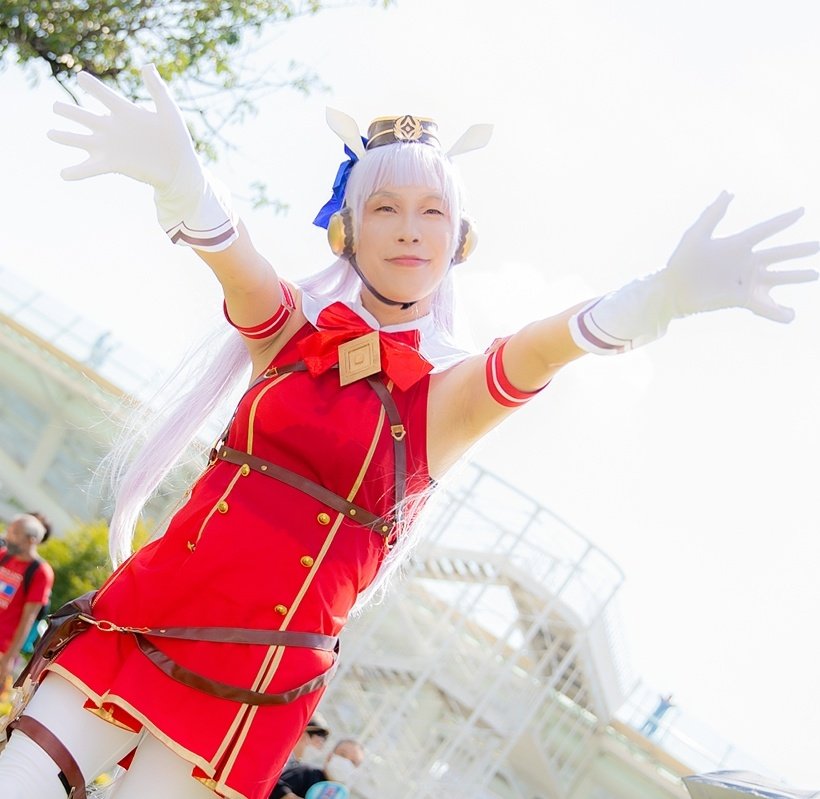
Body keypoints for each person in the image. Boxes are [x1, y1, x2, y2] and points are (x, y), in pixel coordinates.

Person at [0, 64, 815, 799]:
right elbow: (237, 263)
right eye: (385, 207)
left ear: (459, 239)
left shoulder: (448, 393)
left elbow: (537, 350)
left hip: (257, 671)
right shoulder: (292, 331)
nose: (409, 227)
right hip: (153, 607)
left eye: (432, 211)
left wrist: (656, 297)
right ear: (347, 227)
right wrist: (186, 184)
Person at [0, 514, 55, 686]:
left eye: (15, 534)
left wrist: (8, 658)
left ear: (31, 540)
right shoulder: (3, 556)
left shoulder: (40, 572)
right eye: (9, 531)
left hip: (3, 647)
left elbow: (28, 619)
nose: (8, 537)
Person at [272, 739, 364, 799]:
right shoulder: (305, 772)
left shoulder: (340, 794)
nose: (346, 762)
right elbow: (274, 787)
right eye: (342, 754)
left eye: (353, 762)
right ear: (330, 755)